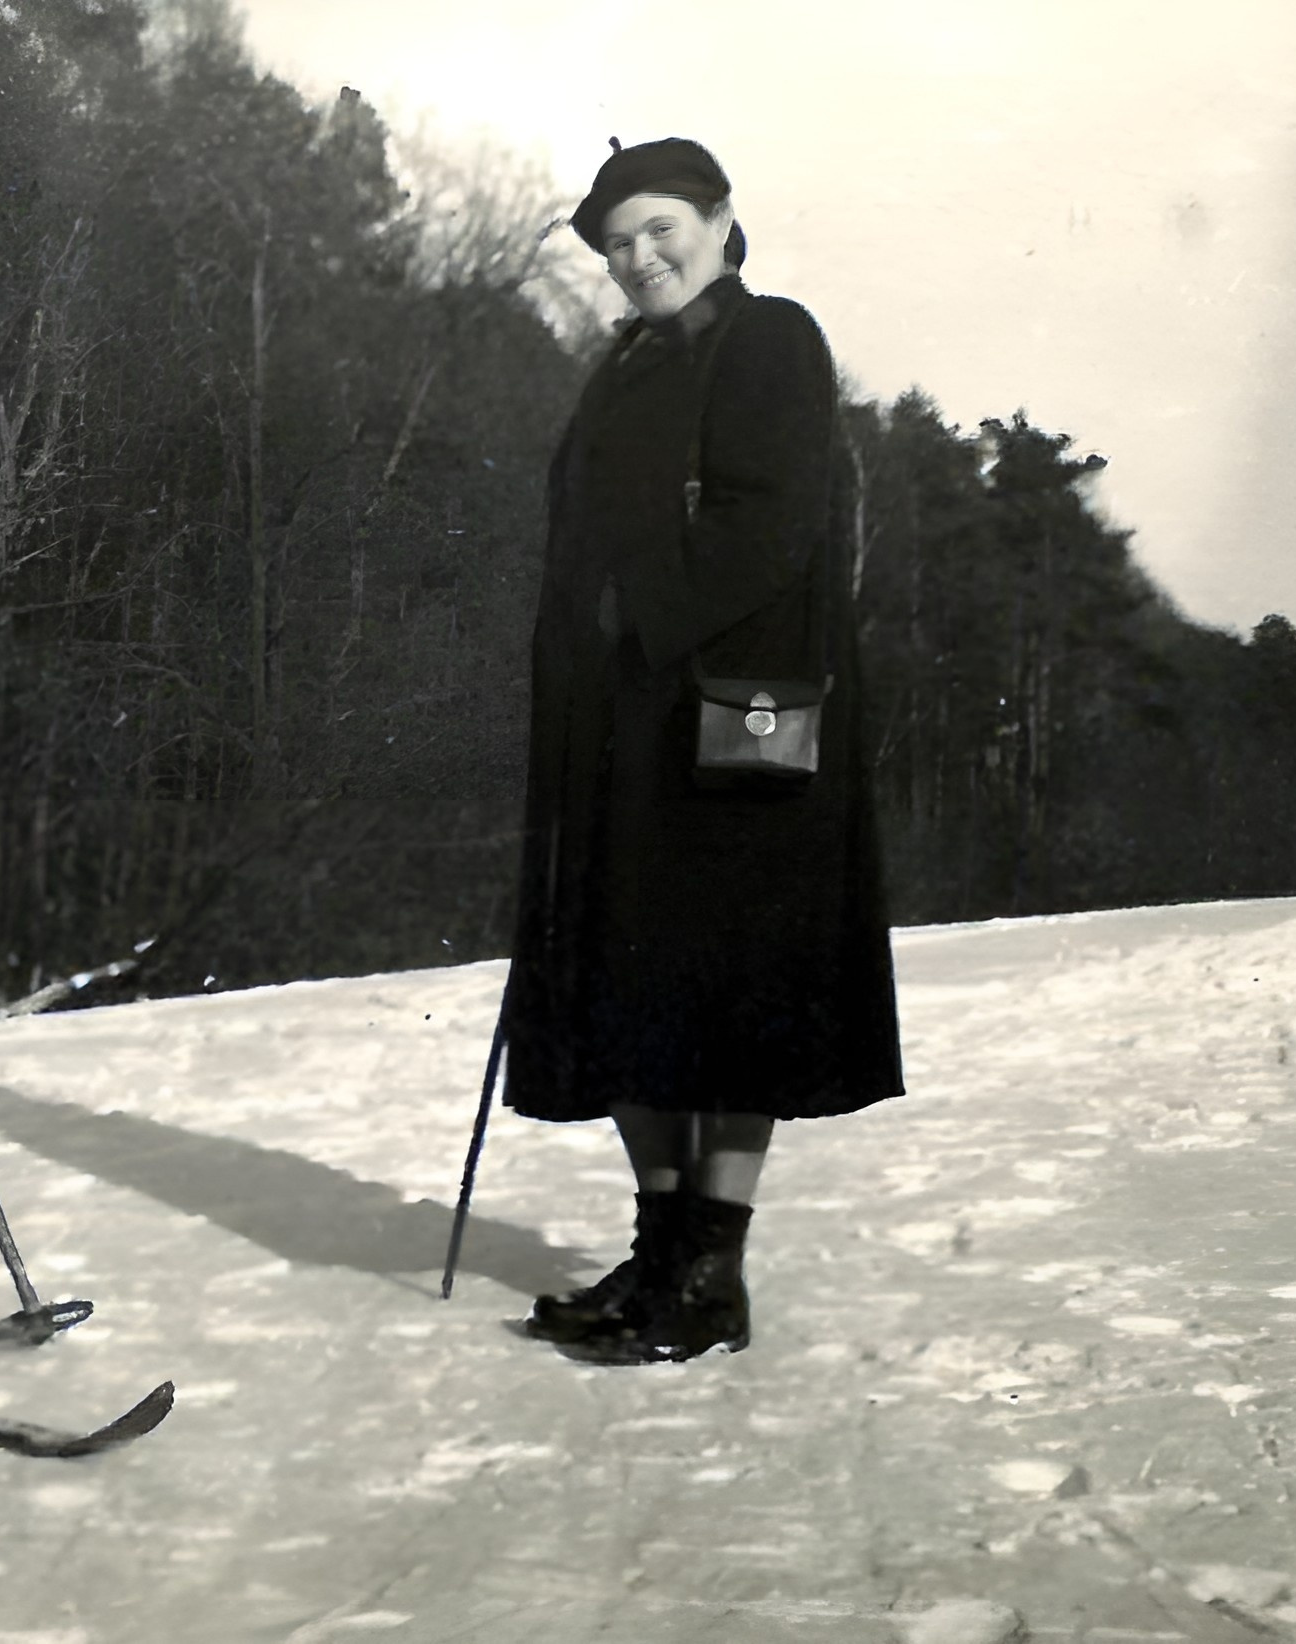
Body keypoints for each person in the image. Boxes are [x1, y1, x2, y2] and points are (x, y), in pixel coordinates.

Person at [501, 138, 904, 1365]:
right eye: (617, 244)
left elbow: (770, 524)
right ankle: (660, 1249)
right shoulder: (621, 365)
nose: (638, 258)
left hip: (738, 717)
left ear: (723, 221)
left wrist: (635, 619)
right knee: (630, 980)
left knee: (728, 983)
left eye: (659, 227)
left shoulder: (768, 336)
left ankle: (710, 1270)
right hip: (620, 720)